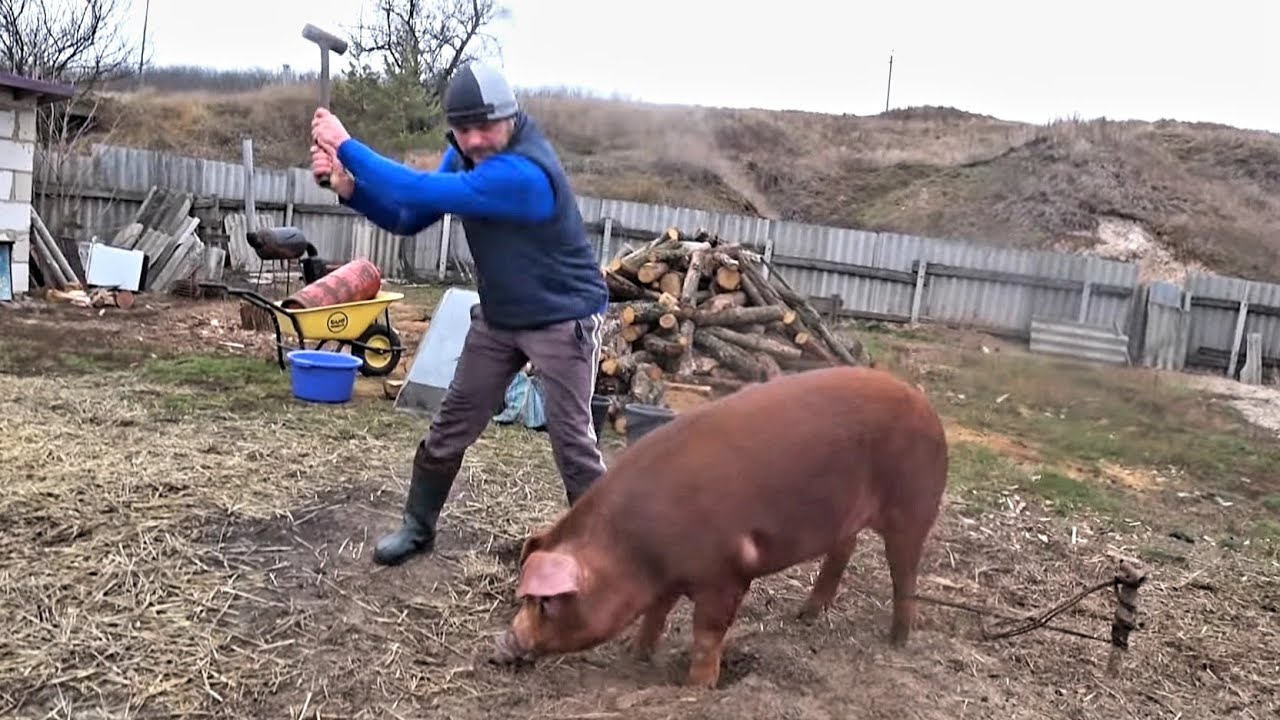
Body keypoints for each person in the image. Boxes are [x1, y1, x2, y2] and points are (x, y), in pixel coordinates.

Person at [309, 61, 611, 567]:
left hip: (563, 319)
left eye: (483, 127)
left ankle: (611, 554)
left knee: (573, 443)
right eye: (462, 129)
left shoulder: (524, 174)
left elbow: (414, 189)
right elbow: (408, 217)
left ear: (511, 117)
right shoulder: (468, 153)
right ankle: (417, 527)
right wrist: (349, 188)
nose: (472, 140)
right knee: (450, 424)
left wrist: (346, 145)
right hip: (500, 317)